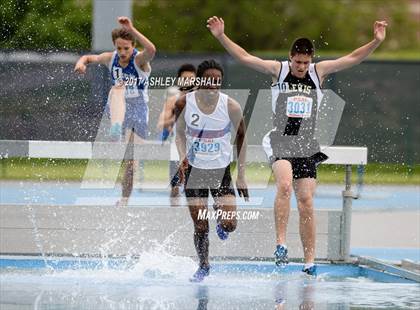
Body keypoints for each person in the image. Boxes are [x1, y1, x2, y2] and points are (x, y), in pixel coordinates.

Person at [207, 16, 387, 276]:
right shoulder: (277, 70)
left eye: (305, 62)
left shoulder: (318, 72)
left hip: (306, 145)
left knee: (306, 201)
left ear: (311, 60)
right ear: (290, 58)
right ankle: (281, 244)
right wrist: (221, 36)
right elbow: (246, 58)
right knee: (285, 185)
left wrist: (375, 41)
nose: (301, 67)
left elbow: (352, 58)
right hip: (280, 140)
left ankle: (309, 262)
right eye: (297, 62)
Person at [171, 59, 249, 282]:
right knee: (200, 225)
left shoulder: (231, 106)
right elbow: (179, 133)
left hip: (220, 172)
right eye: (209, 81)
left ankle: (221, 222)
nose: (214, 86)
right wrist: (182, 156)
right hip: (194, 172)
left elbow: (242, 136)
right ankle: (204, 265)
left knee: (229, 224)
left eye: (218, 81)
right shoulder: (183, 103)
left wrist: (241, 176)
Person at [74, 16, 156, 207]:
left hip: (138, 111)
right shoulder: (111, 58)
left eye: (126, 48)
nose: (122, 52)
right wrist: (81, 63)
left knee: (131, 163)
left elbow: (151, 50)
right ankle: (116, 129)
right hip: (117, 108)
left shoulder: (140, 60)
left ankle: (125, 199)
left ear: (133, 46)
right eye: (119, 48)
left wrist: (132, 29)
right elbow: (88, 57)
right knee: (117, 88)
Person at [157, 64, 197, 205]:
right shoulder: (173, 100)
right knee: (175, 188)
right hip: (177, 146)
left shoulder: (202, 98)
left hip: (198, 147)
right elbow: (161, 124)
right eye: (184, 79)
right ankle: (174, 215)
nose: (188, 82)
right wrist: (176, 116)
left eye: (191, 79)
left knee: (195, 190)